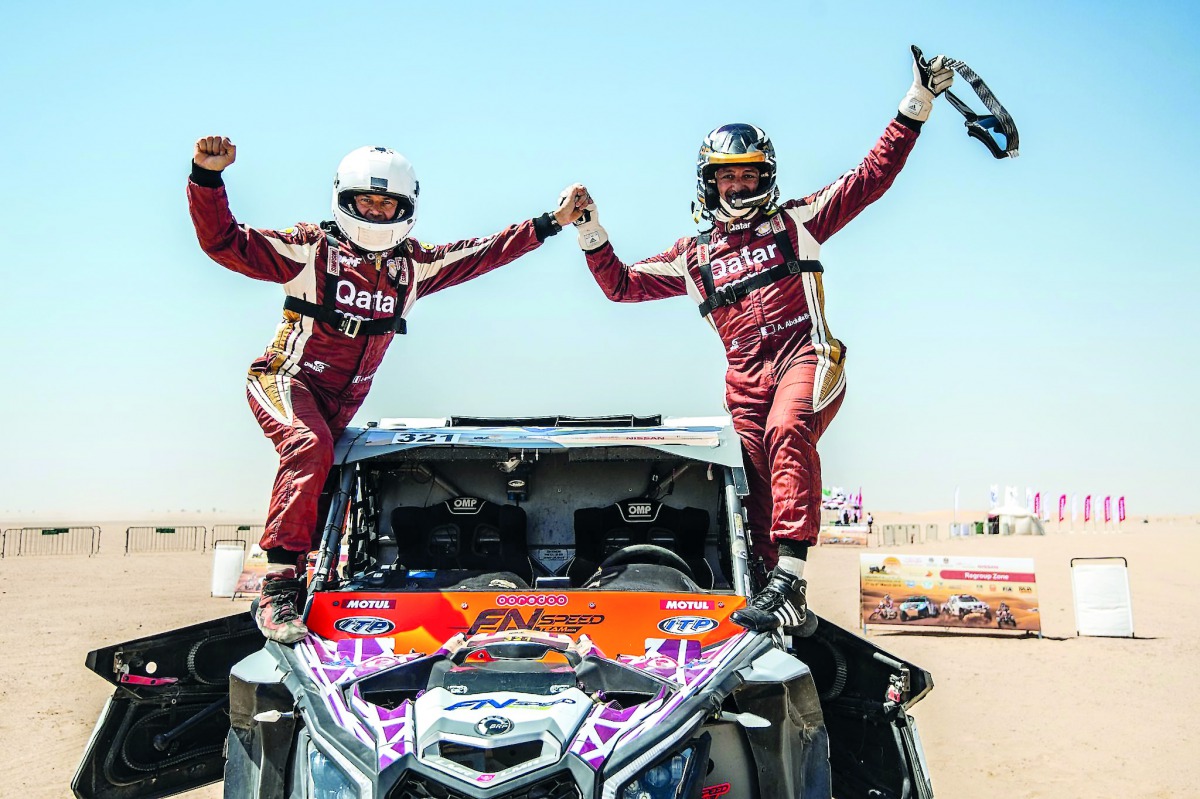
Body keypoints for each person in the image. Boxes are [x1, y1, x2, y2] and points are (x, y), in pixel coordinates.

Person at [568, 49, 954, 635]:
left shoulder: (796, 222)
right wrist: (588, 228)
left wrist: (917, 102)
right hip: (744, 380)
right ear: (710, 182)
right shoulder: (693, 257)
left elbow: (870, 176)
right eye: (729, 175)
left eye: (749, 174)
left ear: (766, 177)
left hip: (808, 355)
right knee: (747, 484)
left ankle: (792, 579)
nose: (739, 184)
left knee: (786, 432)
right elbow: (621, 285)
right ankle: (769, 599)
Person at [189, 137, 587, 643]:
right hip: (286, 378)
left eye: (387, 204)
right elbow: (224, 243)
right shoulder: (311, 248)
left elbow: (482, 254)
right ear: (344, 200)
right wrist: (207, 178)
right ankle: (277, 588)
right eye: (366, 202)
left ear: (406, 208)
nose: (376, 213)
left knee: (332, 469)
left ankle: (321, 578)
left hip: (343, 400)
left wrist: (550, 223)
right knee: (308, 448)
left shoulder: (412, 267)